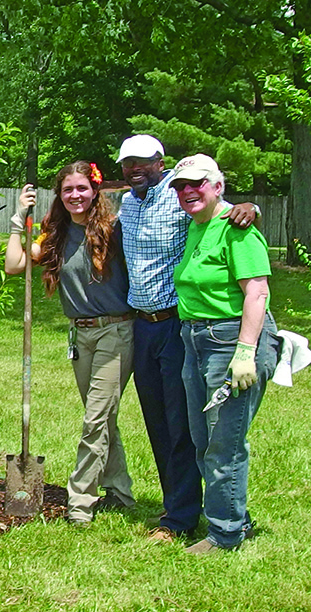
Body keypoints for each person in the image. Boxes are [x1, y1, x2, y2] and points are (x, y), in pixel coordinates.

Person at [117, 134, 258, 541]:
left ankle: (181, 518)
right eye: (128, 163)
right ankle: (176, 505)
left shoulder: (181, 198)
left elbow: (224, 213)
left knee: (182, 424)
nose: (135, 170)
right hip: (141, 326)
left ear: (160, 162)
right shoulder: (127, 203)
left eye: (143, 162)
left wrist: (251, 208)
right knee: (157, 423)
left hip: (177, 325)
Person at [5, 161, 135, 525]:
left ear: (94, 191)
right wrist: (19, 218)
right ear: (59, 196)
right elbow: (14, 264)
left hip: (117, 331)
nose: (75, 196)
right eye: (67, 190)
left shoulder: (114, 230)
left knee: (95, 419)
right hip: (81, 335)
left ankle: (80, 504)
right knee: (103, 417)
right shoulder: (57, 237)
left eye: (81, 188)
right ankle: (121, 492)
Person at [171, 154, 280, 554]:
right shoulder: (197, 227)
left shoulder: (238, 229)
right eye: (181, 186)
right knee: (204, 439)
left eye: (196, 183)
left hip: (230, 340)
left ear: (218, 186)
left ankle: (225, 533)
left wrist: (245, 352)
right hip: (194, 340)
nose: (187, 192)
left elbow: (257, 291)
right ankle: (235, 515)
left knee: (224, 442)